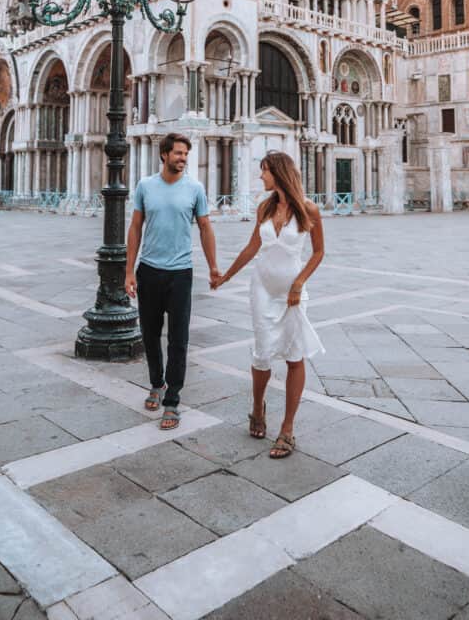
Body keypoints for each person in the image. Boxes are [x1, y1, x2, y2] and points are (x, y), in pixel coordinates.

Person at [211, 151, 324, 458]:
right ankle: (257, 408)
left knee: (294, 355)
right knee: (262, 353)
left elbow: (317, 253)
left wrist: (299, 283)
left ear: (279, 172)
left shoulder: (308, 209)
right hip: (261, 288)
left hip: (291, 292)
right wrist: (226, 276)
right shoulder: (265, 207)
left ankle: (287, 429)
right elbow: (252, 247)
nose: (261, 177)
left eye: (264, 171)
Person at [125, 132, 219, 430]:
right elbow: (135, 227)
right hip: (149, 270)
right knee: (150, 335)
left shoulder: (195, 188)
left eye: (186, 154)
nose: (183, 159)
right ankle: (157, 383)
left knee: (179, 340)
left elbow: (205, 228)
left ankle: (173, 400)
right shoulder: (145, 186)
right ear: (164, 154)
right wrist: (129, 272)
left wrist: (214, 267)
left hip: (181, 273)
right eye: (178, 153)